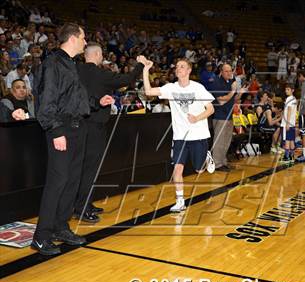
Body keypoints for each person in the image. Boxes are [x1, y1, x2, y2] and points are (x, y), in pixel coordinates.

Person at [32, 23, 114, 255]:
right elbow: (45, 103)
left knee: (71, 182)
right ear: (73, 39)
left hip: (79, 128)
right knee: (57, 183)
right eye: (84, 38)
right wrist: (56, 131)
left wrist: (97, 102)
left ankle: (60, 227)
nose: (86, 42)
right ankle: (41, 236)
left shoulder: (72, 65)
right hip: (62, 129)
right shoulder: (52, 64)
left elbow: (75, 99)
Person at [73, 42, 145, 223]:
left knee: (82, 167)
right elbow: (127, 79)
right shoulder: (100, 73)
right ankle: (82, 208)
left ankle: (85, 203)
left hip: (78, 124)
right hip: (94, 126)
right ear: (97, 55)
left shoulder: (76, 70)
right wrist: (141, 64)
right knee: (90, 168)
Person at [140, 57, 216, 212]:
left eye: (182, 67)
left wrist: (197, 118)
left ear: (188, 70)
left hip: (198, 135)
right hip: (180, 137)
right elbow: (148, 91)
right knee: (177, 169)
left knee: (199, 170)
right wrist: (146, 69)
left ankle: (206, 156)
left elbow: (210, 109)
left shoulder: (198, 88)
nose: (178, 69)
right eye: (177, 67)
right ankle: (180, 201)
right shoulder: (171, 88)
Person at [210, 64, 247, 171]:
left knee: (226, 141)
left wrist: (239, 93)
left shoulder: (229, 82)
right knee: (219, 141)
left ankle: (223, 162)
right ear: (221, 71)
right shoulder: (216, 82)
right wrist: (232, 91)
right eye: (226, 71)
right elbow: (221, 101)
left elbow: (233, 99)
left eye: (230, 71)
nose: (229, 73)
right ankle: (217, 164)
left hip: (229, 115)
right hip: (220, 116)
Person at [280, 84, 297, 161]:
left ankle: (286, 157)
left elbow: (289, 110)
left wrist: (287, 123)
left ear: (292, 90)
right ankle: (292, 156)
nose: (286, 91)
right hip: (292, 123)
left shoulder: (289, 99)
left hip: (287, 123)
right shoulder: (294, 99)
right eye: (286, 89)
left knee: (287, 140)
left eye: (288, 89)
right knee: (291, 140)